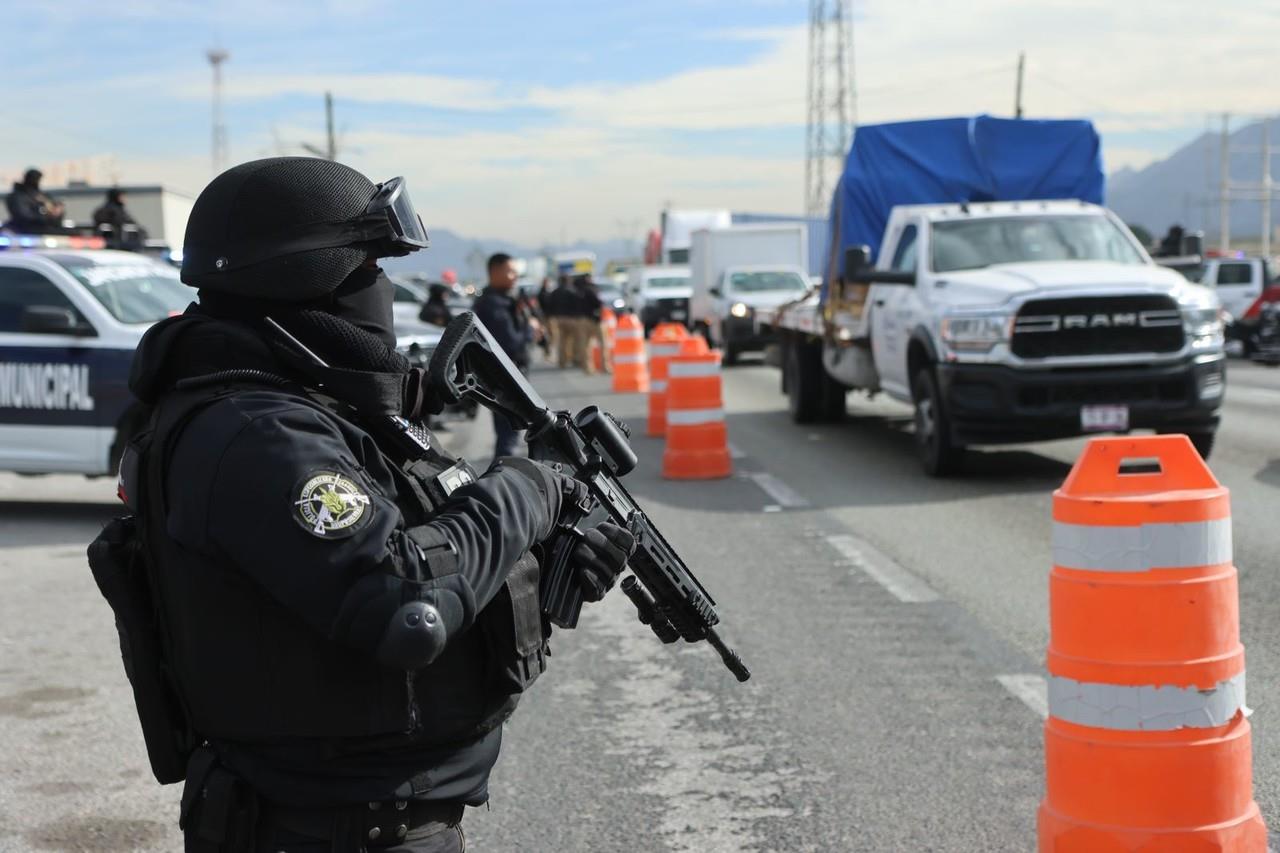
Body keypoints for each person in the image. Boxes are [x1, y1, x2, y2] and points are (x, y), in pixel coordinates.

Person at [116, 157, 633, 851]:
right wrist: (528, 487)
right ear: (303, 279)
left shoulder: (313, 407)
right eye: (368, 269)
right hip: (326, 830)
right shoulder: (258, 433)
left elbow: (419, 555)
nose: (383, 288)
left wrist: (545, 558)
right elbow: (404, 604)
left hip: (368, 818)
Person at [471, 252, 537, 457]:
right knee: (509, 433)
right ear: (495, 271)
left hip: (508, 377)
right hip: (505, 380)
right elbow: (510, 343)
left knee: (511, 431)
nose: (514, 276)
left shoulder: (503, 300)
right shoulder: (492, 305)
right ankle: (503, 479)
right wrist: (530, 330)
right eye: (510, 272)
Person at [4, 168, 66, 233]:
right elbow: (23, 216)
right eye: (35, 179)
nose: (37, 181)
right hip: (24, 230)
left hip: (45, 229)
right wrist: (46, 217)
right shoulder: (18, 196)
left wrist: (56, 213)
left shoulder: (41, 195)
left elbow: (55, 209)